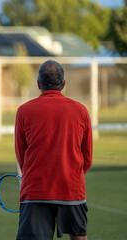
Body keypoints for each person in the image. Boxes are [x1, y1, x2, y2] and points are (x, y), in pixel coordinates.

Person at [14, 60, 92, 240]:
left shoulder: (24, 111)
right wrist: (71, 174)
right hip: (71, 189)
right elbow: (87, 156)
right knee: (79, 237)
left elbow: (21, 155)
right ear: (64, 84)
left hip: (35, 190)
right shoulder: (81, 110)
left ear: (38, 84)